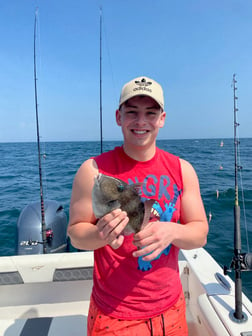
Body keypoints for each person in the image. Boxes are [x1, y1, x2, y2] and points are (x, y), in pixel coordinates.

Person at [68, 76, 209, 336]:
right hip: (113, 314)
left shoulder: (182, 170)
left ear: (162, 118)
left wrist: (172, 232)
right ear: (118, 117)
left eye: (150, 113)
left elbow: (200, 233)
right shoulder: (93, 171)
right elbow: (76, 233)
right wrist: (101, 234)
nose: (141, 121)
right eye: (132, 112)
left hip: (172, 309)